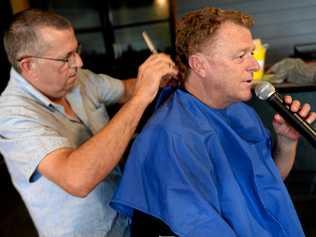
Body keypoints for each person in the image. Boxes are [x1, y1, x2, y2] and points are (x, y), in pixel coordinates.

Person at [110, 7, 316, 237]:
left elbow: (264, 186)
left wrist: (287, 143)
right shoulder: (170, 137)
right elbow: (199, 228)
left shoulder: (241, 112)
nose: (255, 65)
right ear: (199, 65)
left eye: (251, 53)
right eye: (240, 56)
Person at [0, 9, 178, 237]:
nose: (79, 62)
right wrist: (142, 98)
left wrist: (156, 80)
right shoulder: (13, 115)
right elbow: (77, 179)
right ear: (28, 65)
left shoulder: (77, 79)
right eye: (66, 57)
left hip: (124, 212)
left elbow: (126, 90)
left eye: (77, 50)